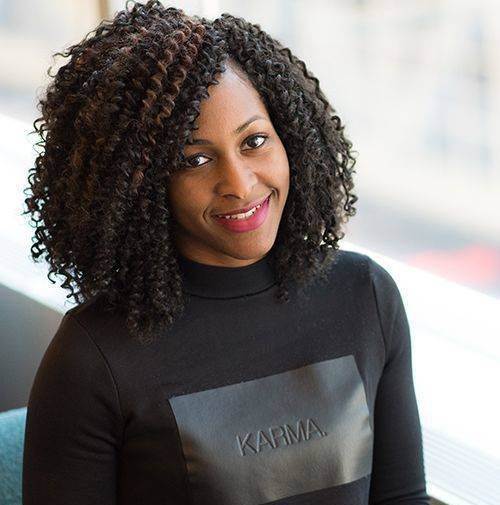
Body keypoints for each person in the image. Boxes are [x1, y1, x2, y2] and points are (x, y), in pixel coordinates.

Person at [21, 1, 431, 504]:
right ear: (139, 184)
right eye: (195, 159)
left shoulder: (365, 296)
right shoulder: (93, 358)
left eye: (254, 141)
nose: (238, 183)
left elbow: (401, 497)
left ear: (290, 139)